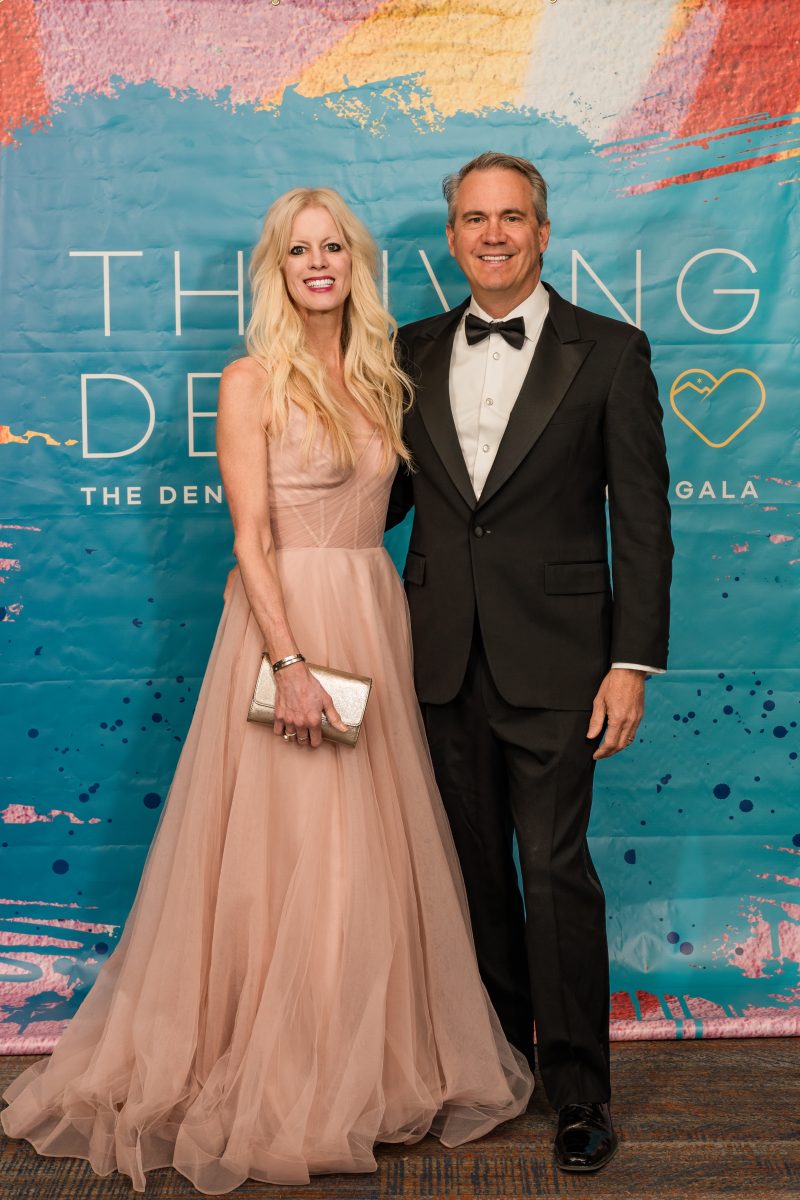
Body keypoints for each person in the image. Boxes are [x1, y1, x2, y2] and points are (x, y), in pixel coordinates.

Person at [1, 187, 533, 1194]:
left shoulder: (382, 376)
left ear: (354, 264)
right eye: (298, 250)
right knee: (294, 849)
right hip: (288, 623)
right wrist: (287, 666)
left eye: (333, 246)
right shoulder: (250, 380)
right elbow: (248, 540)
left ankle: (360, 1068)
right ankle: (285, 1078)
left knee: (366, 853)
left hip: (371, 616)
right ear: (276, 270)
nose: (318, 262)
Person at [387, 151, 673, 1173]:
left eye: (512, 217)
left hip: (560, 662)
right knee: (470, 875)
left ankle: (579, 1092)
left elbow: (642, 520)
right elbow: (377, 495)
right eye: (475, 219)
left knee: (552, 873)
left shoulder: (610, 351)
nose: (493, 234)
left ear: (543, 232)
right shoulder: (407, 349)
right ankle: (498, 1064)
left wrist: (631, 662)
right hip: (436, 658)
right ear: (452, 237)